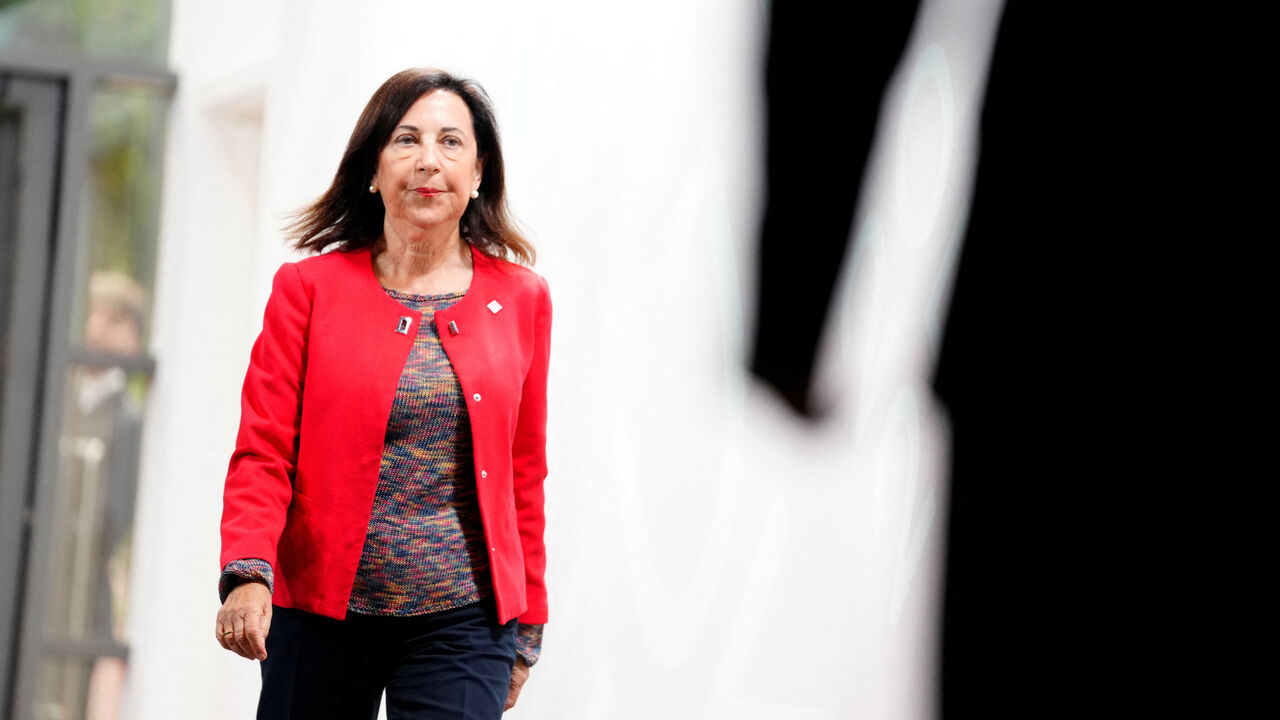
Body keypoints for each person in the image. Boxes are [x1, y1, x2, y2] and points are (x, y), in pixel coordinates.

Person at [214, 68, 551, 720]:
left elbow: (524, 471)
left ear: (479, 171)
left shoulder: (522, 299)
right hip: (318, 611)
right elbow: (263, 449)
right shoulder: (307, 289)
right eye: (406, 139)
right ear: (373, 166)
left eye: (452, 142)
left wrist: (529, 620)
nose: (429, 160)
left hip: (464, 620)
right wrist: (248, 572)